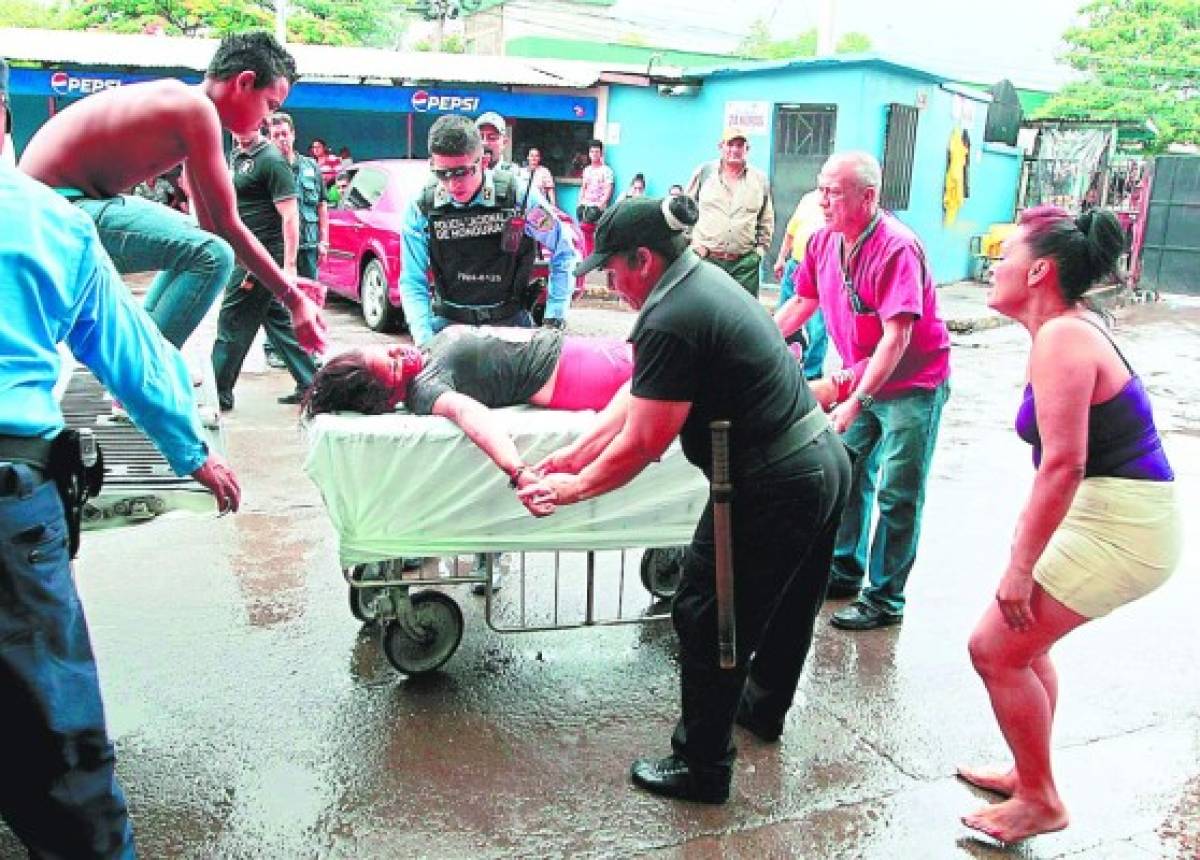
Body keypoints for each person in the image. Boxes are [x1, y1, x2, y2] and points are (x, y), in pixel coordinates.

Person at [517, 196, 851, 805]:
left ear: (642, 259)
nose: (611, 285)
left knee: (707, 615)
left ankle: (702, 766)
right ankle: (758, 711)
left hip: (773, 482)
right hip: (821, 461)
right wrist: (573, 455)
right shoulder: (699, 283)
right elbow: (638, 393)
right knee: (784, 608)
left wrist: (571, 490)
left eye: (612, 270)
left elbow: (644, 441)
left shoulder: (672, 313)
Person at [1, 70, 241, 854]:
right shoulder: (46, 221)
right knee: (64, 772)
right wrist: (191, 451)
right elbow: (131, 353)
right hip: (10, 506)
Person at [957, 206, 1180, 845]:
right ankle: (1029, 775)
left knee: (994, 649)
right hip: (1112, 510)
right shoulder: (1061, 328)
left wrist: (1020, 567)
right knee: (1027, 646)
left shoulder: (1063, 337)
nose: (995, 266)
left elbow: (1063, 464)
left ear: (1040, 271)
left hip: (1123, 526)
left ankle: (1042, 799)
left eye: (1007, 255)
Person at [18, 31, 326, 356]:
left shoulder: (189, 108)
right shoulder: (196, 111)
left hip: (63, 204)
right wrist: (292, 298)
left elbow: (212, 229)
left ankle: (141, 356)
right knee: (211, 256)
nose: (267, 120)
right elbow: (226, 228)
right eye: (270, 105)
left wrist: (285, 284)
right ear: (244, 82)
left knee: (203, 246)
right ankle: (145, 373)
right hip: (50, 213)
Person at [776, 151, 951, 631]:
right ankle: (845, 567)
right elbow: (803, 300)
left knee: (899, 493)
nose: (823, 200)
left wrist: (857, 400)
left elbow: (898, 337)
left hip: (913, 384)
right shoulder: (821, 240)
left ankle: (886, 598)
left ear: (868, 197)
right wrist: (764, 344)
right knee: (846, 472)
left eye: (834, 191)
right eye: (821, 189)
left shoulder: (897, 247)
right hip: (863, 375)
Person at [302, 326, 633, 479]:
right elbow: (471, 415)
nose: (399, 352)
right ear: (388, 398)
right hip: (572, 374)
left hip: (577, 350)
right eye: (393, 366)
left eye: (387, 350)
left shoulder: (424, 356)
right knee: (673, 374)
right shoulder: (426, 390)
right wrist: (516, 470)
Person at [398, 114, 579, 347]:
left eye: (462, 172)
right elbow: (412, 281)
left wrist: (554, 321)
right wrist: (424, 342)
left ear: (483, 161)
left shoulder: (519, 199)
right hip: (449, 329)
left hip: (511, 328)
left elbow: (564, 250)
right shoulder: (422, 207)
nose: (452, 184)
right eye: (442, 174)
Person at [212, 124, 318, 410]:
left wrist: (290, 267)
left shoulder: (271, 160)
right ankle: (312, 383)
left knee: (232, 321)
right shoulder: (238, 156)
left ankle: (218, 393)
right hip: (245, 253)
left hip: (260, 259)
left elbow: (291, 216)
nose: (240, 130)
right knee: (277, 321)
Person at [685, 127, 774, 297]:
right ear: (721, 147)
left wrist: (760, 251)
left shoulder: (759, 179)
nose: (734, 150)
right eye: (730, 144)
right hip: (706, 260)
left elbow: (766, 218)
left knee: (742, 317)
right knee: (703, 312)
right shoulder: (704, 173)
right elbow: (685, 209)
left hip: (744, 265)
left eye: (740, 145)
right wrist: (691, 245)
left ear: (747, 149)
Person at [773, 189, 830, 380]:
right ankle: (779, 365)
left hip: (820, 269)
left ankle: (811, 374)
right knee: (784, 318)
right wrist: (781, 258)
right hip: (795, 265)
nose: (825, 197)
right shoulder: (808, 199)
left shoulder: (836, 206)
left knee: (818, 327)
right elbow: (791, 232)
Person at [269, 112, 329, 281]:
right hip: (279, 247)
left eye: (285, 134)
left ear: (293, 134)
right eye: (276, 135)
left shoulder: (311, 166)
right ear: (270, 138)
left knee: (309, 296)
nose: (282, 139)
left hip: (308, 246)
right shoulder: (268, 168)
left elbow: (322, 206)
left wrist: (324, 242)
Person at [576, 139, 615, 263]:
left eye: (597, 152)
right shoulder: (587, 170)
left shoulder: (606, 171)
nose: (594, 154)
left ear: (601, 153)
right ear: (589, 153)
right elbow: (584, 187)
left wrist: (601, 205)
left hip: (597, 207)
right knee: (583, 230)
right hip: (585, 204)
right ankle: (586, 257)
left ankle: (594, 259)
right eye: (592, 152)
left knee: (593, 231)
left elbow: (608, 189)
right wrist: (580, 202)